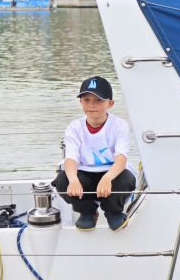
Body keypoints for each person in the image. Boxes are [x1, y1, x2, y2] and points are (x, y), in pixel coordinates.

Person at [53, 76, 137, 231]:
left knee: (126, 179)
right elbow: (71, 158)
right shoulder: (74, 127)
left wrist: (107, 178)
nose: (91, 105)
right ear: (80, 102)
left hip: (112, 172)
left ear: (110, 103)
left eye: (98, 100)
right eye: (86, 100)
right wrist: (73, 180)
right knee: (62, 181)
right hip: (85, 172)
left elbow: (121, 159)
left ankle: (113, 211)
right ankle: (88, 211)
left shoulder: (119, 125)